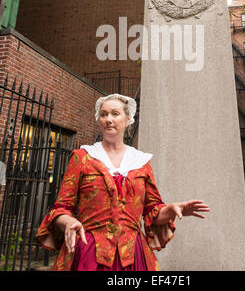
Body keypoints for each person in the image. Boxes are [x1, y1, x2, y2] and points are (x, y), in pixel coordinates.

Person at [36, 93, 210, 271]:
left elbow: (152, 211)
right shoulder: (82, 158)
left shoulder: (141, 163)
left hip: (133, 256)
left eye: (115, 114)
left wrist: (171, 210)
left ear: (128, 120)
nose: (108, 119)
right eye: (104, 115)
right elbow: (61, 208)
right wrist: (68, 222)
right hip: (88, 252)